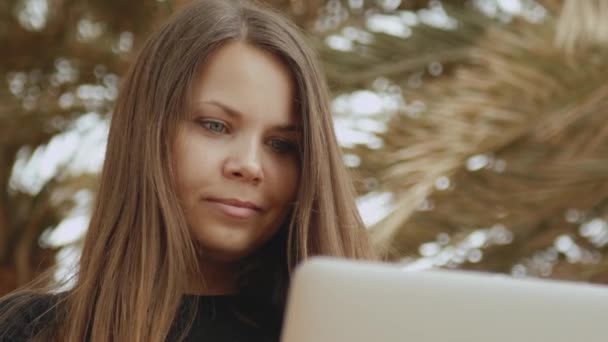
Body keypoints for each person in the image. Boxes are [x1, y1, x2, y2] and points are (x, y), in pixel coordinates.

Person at [0, 0, 377, 341]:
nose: (248, 165)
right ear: (148, 133)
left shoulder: (358, 332)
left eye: (281, 145)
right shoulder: (31, 331)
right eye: (215, 125)